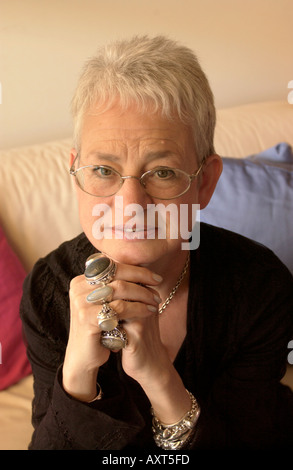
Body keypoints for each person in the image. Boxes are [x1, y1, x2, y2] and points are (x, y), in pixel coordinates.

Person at [20, 35, 293, 450]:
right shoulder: (48, 288)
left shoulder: (260, 285)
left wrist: (159, 377)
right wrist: (77, 376)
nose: (130, 205)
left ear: (204, 182)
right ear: (75, 173)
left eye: (163, 173)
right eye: (103, 169)